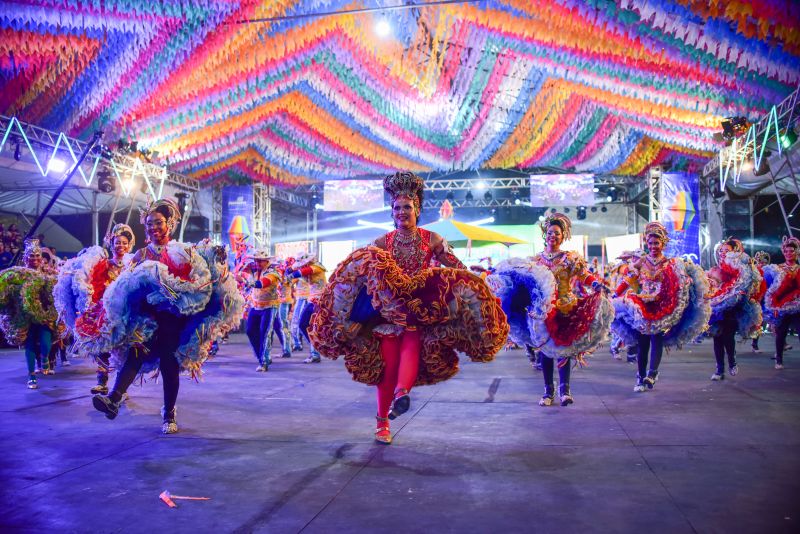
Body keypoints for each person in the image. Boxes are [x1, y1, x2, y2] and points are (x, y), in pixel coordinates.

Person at [309, 171, 509, 444]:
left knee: (412, 342)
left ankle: (402, 394)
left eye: (407, 207)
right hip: (388, 313)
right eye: (396, 208)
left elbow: (457, 269)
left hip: (420, 308)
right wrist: (329, 296)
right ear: (391, 213)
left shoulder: (433, 240)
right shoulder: (382, 243)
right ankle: (383, 422)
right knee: (388, 364)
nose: (402, 212)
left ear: (417, 209)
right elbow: (357, 271)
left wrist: (481, 284)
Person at [88, 200, 243, 433]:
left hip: (173, 317)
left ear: (169, 224)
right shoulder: (140, 254)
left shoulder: (182, 251)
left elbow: (203, 269)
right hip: (148, 316)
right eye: (149, 224)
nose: (153, 228)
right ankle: (114, 397)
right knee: (137, 350)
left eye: (158, 223)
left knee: (169, 362)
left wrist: (216, 256)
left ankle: (169, 413)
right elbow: (127, 285)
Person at [488, 213, 614, 406]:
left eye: (556, 233)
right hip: (542, 311)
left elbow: (584, 275)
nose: (552, 236)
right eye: (549, 232)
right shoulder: (536, 260)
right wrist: (493, 274)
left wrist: (596, 284)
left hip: (565, 307)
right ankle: (548, 392)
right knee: (545, 350)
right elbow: (519, 277)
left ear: (563, 236)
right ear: (545, 235)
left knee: (563, 349)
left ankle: (565, 390)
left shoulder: (569, 259)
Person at [612, 222, 710, 392]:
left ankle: (652, 373)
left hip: (662, 304)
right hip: (642, 304)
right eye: (650, 243)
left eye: (657, 243)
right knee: (642, 341)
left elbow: (679, 282)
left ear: (663, 244)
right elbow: (630, 279)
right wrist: (615, 294)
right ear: (646, 244)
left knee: (656, 338)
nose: (653, 246)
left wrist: (687, 285)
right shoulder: (640, 261)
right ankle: (640, 376)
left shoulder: (670, 263)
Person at [54, 223, 136, 394]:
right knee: (103, 348)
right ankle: (102, 382)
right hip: (104, 311)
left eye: (124, 243)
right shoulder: (103, 265)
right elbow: (95, 286)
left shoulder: (132, 265)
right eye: (117, 242)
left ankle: (122, 387)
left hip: (127, 313)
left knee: (124, 350)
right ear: (112, 245)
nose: (121, 246)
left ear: (129, 245)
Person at [0, 239, 58, 388]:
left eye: (37, 255)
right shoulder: (18, 274)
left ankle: (44, 358)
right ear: (26, 258)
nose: (35, 259)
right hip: (25, 316)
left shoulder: (48, 272)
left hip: (44, 315)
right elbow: (7, 290)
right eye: (31, 256)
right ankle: (31, 375)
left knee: (46, 343)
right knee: (30, 344)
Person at [706, 238, 762, 380]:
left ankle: (732, 360)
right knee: (717, 338)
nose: (723, 253)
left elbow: (748, 284)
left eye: (727, 251)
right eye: (721, 251)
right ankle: (719, 369)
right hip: (716, 308)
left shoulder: (739, 269)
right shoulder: (714, 270)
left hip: (731, 308)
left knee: (727, 336)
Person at [240, 250, 284, 371]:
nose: (257, 263)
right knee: (250, 331)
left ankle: (263, 361)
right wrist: (244, 266)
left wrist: (249, 281)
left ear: (267, 261)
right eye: (256, 260)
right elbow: (240, 273)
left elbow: (262, 283)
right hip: (255, 305)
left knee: (265, 332)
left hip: (269, 306)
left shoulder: (273, 272)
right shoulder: (255, 270)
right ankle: (262, 355)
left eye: (260, 260)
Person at [763, 237, 800, 370]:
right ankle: (779, 359)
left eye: (792, 251)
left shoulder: (799, 269)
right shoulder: (777, 269)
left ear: (797, 252)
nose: (789, 253)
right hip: (782, 307)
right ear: (784, 253)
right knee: (781, 333)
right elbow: (769, 286)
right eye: (787, 251)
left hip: (797, 306)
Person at [288, 253, 326, 363]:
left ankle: (316, 351)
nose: (301, 266)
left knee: (310, 325)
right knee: (304, 324)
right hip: (312, 300)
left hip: (320, 301)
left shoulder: (317, 267)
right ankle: (315, 350)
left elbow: (301, 272)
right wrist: (289, 270)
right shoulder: (308, 269)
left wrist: (291, 273)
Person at [751, 251, 770, 353]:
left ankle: (755, 344)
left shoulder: (770, 271)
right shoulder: (753, 271)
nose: (761, 263)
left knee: (761, 322)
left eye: (764, 261)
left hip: (766, 301)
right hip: (755, 299)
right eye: (759, 261)